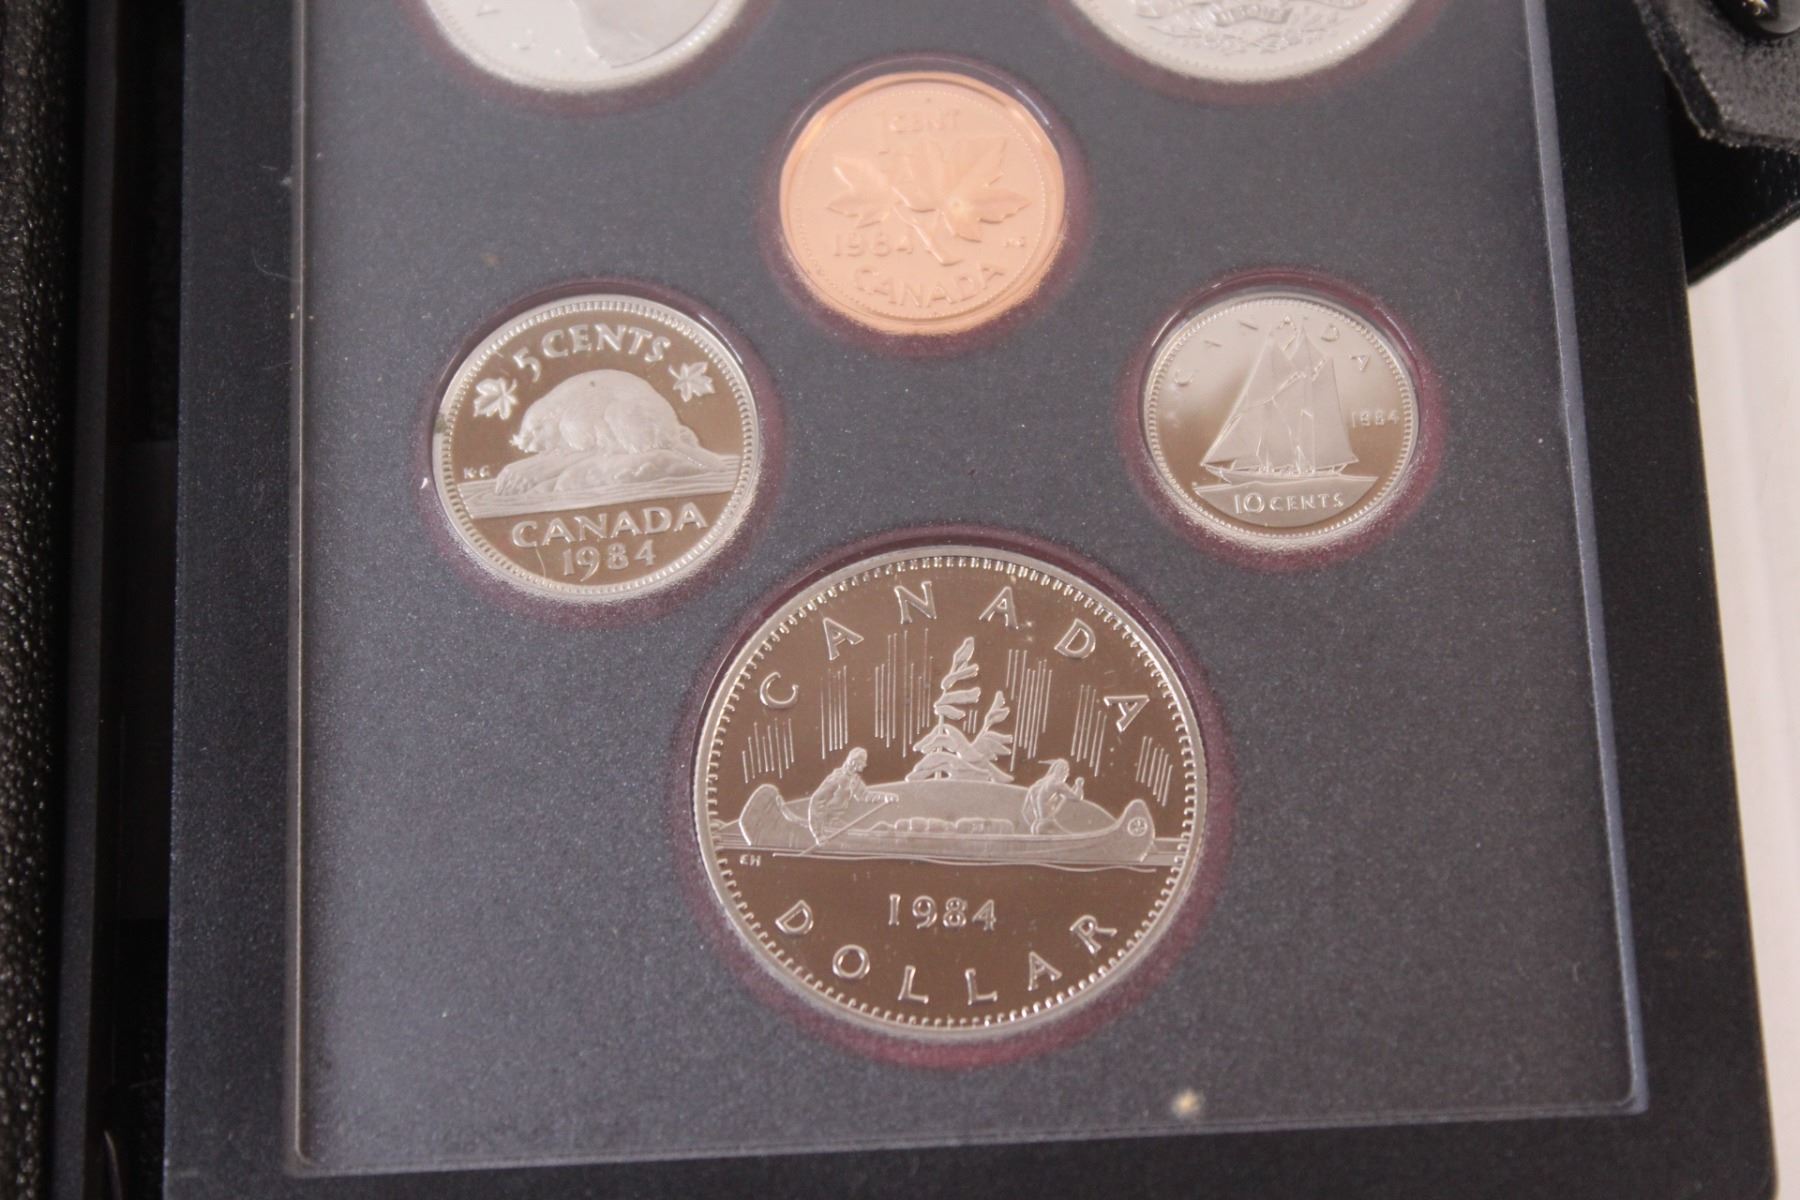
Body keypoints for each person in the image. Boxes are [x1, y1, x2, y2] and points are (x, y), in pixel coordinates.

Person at [807, 747, 870, 841]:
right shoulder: (837, 778)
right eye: (863, 762)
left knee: (865, 832)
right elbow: (816, 800)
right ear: (854, 762)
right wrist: (818, 834)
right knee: (859, 835)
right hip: (828, 822)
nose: (864, 765)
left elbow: (865, 795)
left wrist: (886, 797)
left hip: (837, 822)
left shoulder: (854, 779)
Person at [1022, 759, 1081, 835]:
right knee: (1073, 838)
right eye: (1067, 771)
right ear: (1063, 770)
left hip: (1035, 825)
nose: (1068, 774)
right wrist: (1079, 785)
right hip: (1048, 824)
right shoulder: (1058, 784)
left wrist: (1036, 824)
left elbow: (1025, 810)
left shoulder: (1038, 784)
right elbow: (1077, 798)